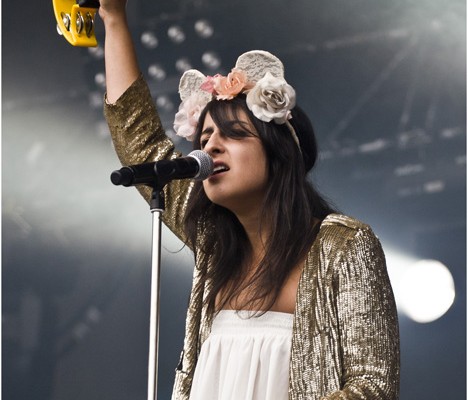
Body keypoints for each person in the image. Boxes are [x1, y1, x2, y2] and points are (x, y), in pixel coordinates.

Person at [99, 1, 400, 399]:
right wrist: (113, 18)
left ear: (279, 154)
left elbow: (372, 386)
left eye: (234, 134)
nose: (210, 148)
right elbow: (140, 139)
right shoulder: (213, 245)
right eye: (204, 139)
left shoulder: (343, 246)